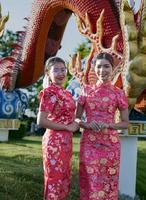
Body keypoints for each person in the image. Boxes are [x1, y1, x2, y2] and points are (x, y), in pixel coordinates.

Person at [75, 52, 129, 200]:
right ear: (94, 68)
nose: (102, 70)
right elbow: (76, 118)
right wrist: (86, 124)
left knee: (108, 184)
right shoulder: (86, 91)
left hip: (110, 145)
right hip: (89, 144)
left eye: (106, 66)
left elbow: (125, 123)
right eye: (99, 66)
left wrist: (108, 124)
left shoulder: (119, 93)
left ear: (113, 69)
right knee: (90, 182)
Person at [37, 57, 79, 200]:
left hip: (66, 142)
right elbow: (41, 121)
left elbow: (71, 119)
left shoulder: (66, 93)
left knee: (64, 180)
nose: (61, 73)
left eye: (63, 69)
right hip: (54, 143)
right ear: (48, 73)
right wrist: (67, 127)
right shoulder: (49, 92)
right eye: (56, 70)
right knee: (54, 181)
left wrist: (83, 123)